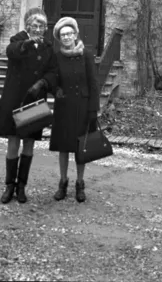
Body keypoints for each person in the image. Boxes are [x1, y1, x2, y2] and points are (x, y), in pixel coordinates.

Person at [0, 7, 58, 204]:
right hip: (15, 99)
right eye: (34, 25)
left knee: (29, 143)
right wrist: (28, 43)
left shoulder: (48, 47)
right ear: (28, 26)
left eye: (42, 26)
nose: (38, 29)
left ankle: (22, 186)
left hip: (35, 99)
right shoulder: (18, 40)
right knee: (13, 142)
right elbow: (12, 52)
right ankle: (9, 186)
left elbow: (53, 71)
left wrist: (43, 83)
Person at [49, 16, 100, 203]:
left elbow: (93, 83)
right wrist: (55, 90)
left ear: (75, 34)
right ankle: (63, 182)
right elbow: (52, 78)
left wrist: (94, 109)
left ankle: (80, 183)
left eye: (69, 33)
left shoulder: (86, 55)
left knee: (81, 148)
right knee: (63, 147)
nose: (67, 37)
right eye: (63, 35)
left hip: (82, 106)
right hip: (64, 106)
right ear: (59, 38)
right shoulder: (57, 56)